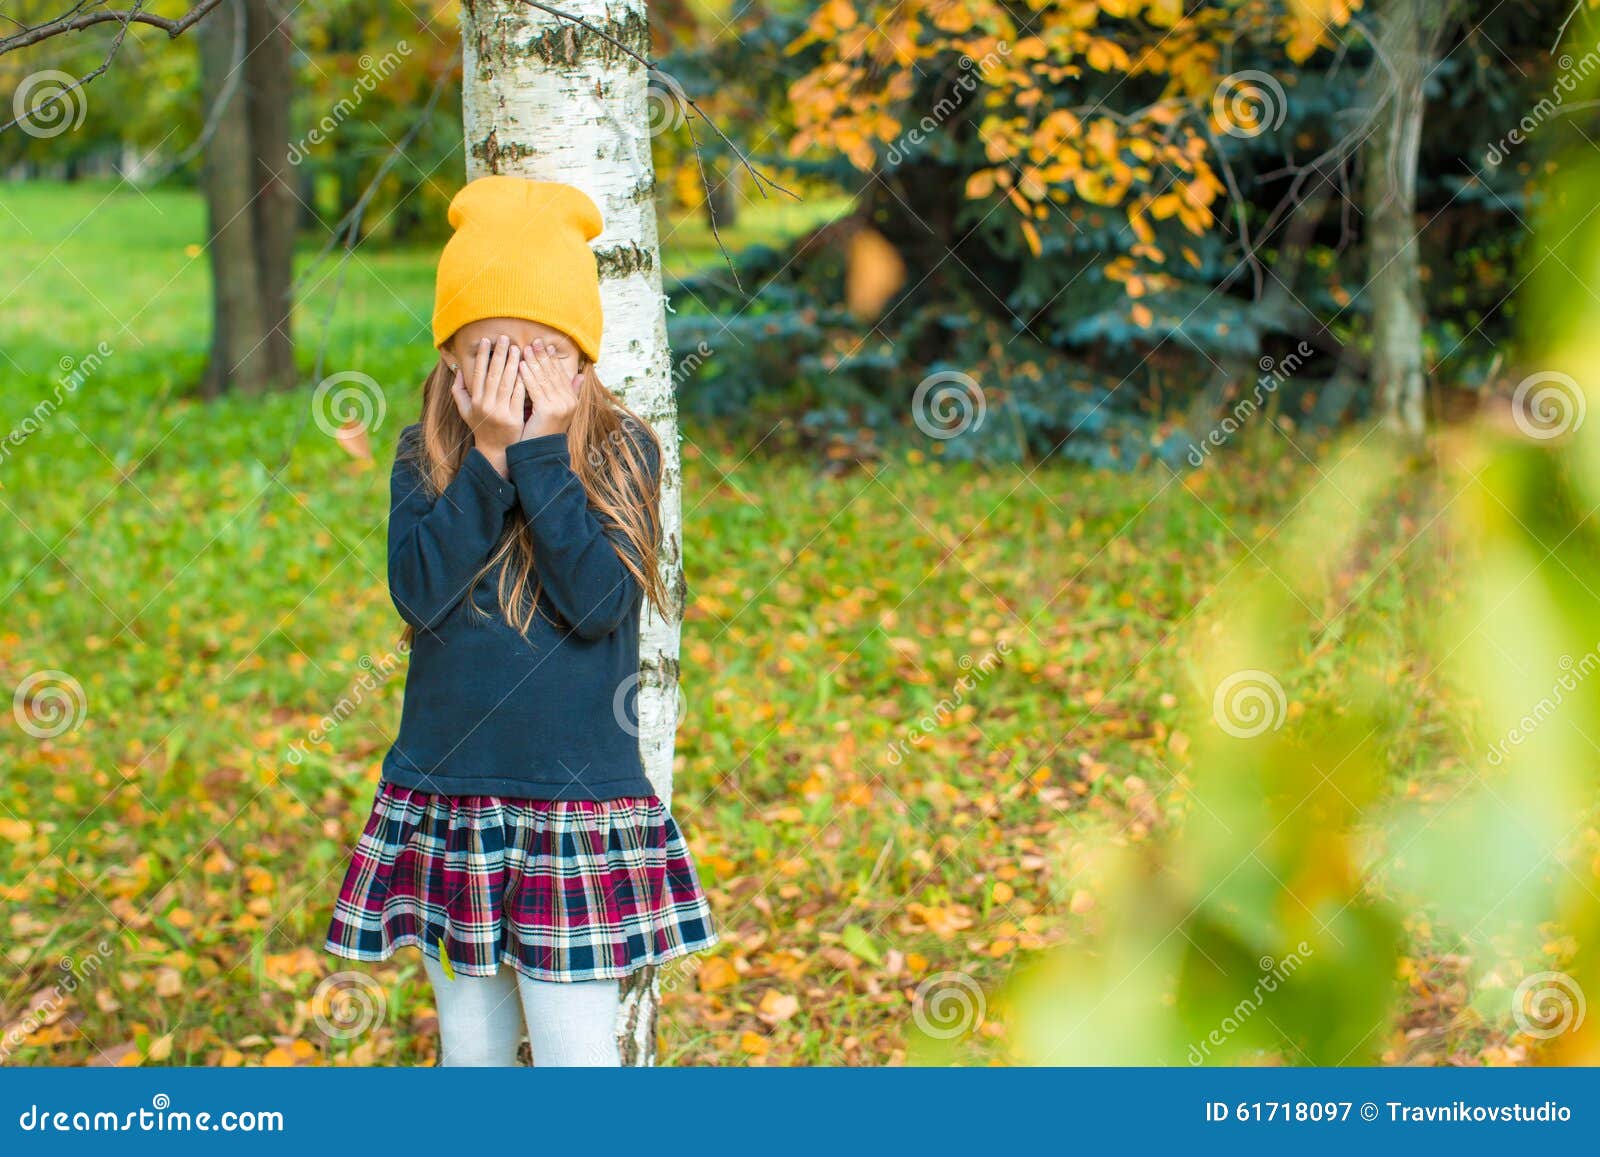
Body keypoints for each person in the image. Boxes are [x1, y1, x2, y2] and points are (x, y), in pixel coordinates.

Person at [324, 175, 717, 1066]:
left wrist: (537, 455)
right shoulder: (424, 453)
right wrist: (487, 461)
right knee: (471, 1044)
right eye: (492, 352)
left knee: (578, 1050)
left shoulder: (623, 449)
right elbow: (419, 592)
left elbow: (601, 603)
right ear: (452, 360)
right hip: (451, 793)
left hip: (570, 803)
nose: (516, 376)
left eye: (540, 351)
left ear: (580, 360)